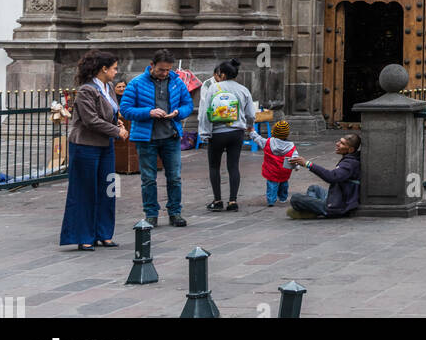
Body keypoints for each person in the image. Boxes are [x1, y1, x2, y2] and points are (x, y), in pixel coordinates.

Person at [59, 51, 127, 251]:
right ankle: (84, 235)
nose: (116, 71)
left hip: (106, 145)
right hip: (85, 145)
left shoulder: (109, 88)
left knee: (109, 188)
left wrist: (117, 121)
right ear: (103, 69)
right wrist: (117, 131)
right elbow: (91, 120)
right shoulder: (86, 90)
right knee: (85, 191)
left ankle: (104, 233)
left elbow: (109, 112)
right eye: (114, 68)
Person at [119, 49, 193, 227]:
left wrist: (178, 112)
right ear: (151, 66)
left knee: (174, 177)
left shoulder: (176, 82)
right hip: (146, 138)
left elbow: (188, 104)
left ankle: (175, 212)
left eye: (168, 70)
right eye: (161, 70)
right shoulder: (136, 83)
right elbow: (125, 109)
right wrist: (148, 112)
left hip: (171, 136)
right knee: (148, 178)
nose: (165, 73)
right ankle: (151, 213)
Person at [197, 59, 256, 212]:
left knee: (214, 166)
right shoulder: (243, 90)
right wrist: (249, 126)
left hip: (217, 133)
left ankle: (217, 200)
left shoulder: (213, 88)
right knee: (233, 166)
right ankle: (232, 201)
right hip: (236, 133)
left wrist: (204, 132)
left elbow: (204, 112)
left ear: (221, 74)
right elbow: (250, 113)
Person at [287, 133, 361, 219]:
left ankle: (315, 210)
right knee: (314, 188)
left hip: (336, 206)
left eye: (342, 143)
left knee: (295, 198)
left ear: (351, 149)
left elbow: (331, 177)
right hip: (335, 197)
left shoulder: (349, 164)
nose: (337, 144)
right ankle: (313, 209)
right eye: (339, 141)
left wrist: (308, 164)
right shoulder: (351, 159)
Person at [256, 120, 299, 207]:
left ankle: (271, 201)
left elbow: (258, 139)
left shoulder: (268, 142)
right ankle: (283, 198)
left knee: (272, 185)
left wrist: (252, 132)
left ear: (274, 132)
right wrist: (296, 166)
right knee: (284, 183)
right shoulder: (291, 146)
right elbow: (295, 157)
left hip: (271, 170)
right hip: (284, 170)